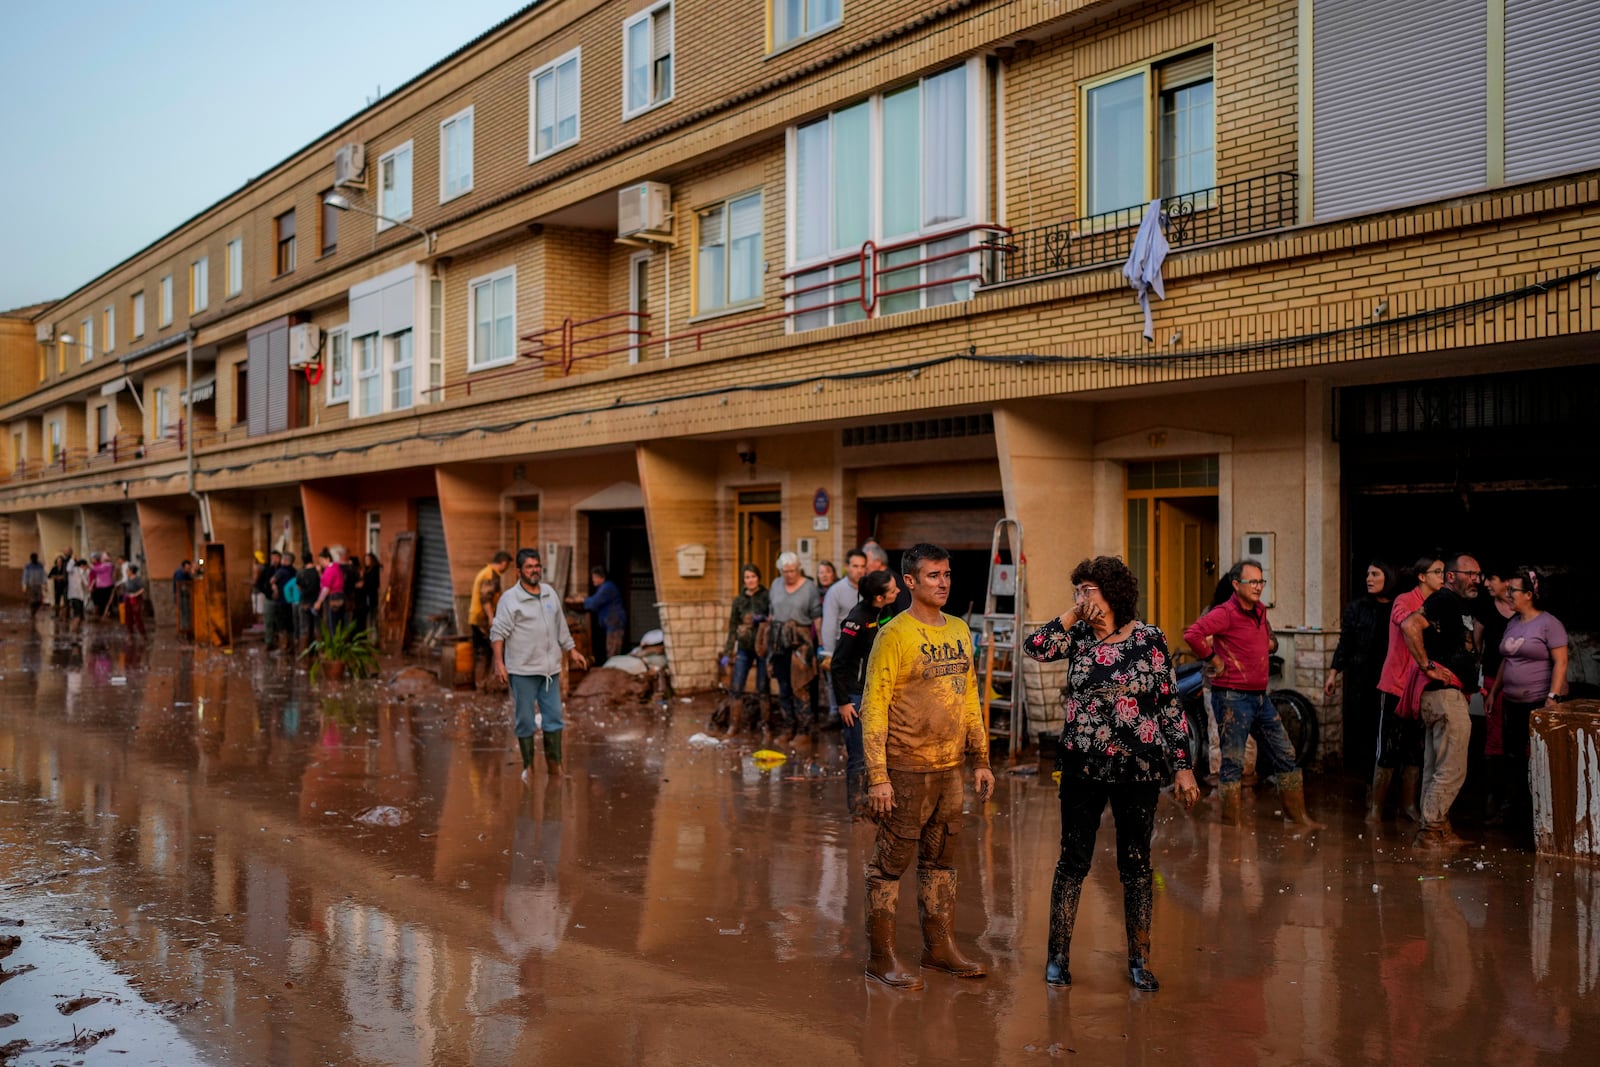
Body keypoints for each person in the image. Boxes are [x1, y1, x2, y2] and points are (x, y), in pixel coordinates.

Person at [1025, 556, 1199, 991]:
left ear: (1114, 593)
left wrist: (1183, 767)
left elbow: (1168, 706)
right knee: (1072, 860)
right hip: (1082, 764)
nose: (1081, 598)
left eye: (1088, 590)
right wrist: (1071, 614)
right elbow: (1035, 648)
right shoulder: (1077, 636)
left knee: (1137, 865)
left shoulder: (1149, 639)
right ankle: (1057, 959)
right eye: (1077, 590)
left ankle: (1139, 960)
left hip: (1137, 767)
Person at [860, 543, 993, 989]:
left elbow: (970, 697)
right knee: (890, 862)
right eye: (933, 575)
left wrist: (981, 759)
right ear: (911, 582)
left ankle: (938, 950)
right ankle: (881, 958)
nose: (943, 583)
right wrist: (878, 777)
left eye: (947, 575)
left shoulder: (958, 629)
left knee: (941, 860)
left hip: (949, 768)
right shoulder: (894, 635)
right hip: (905, 768)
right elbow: (873, 708)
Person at [1183, 560, 1319, 828]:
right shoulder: (1224, 612)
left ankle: (1298, 819)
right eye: (1253, 582)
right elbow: (1193, 634)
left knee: (1285, 753)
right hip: (1232, 697)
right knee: (1232, 763)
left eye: (1261, 581)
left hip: (1259, 696)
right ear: (1236, 585)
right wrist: (1215, 659)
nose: (1258, 587)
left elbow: (1268, 641)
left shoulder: (1259, 610)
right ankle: (1230, 826)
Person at [1401, 552, 1483, 849]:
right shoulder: (1444, 600)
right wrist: (1427, 666)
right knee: (1452, 768)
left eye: (1478, 575)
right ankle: (1430, 831)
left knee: (1436, 766)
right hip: (1444, 697)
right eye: (1470, 574)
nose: (1477, 580)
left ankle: (1439, 828)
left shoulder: (1458, 605)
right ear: (1451, 576)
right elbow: (1410, 625)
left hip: (1444, 697)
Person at [492, 549, 588, 781]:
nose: (535, 570)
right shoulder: (510, 599)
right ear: (518, 571)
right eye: (529, 567)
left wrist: (572, 650)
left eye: (537, 566)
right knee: (525, 720)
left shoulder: (549, 594)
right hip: (522, 671)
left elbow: (560, 626)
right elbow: (498, 632)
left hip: (549, 671)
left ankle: (555, 766)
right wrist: (499, 663)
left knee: (554, 717)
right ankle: (529, 766)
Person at [1487, 567, 1567, 846]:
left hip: (1538, 702)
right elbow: (1506, 660)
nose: (1508, 595)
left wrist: (1552, 697)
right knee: (1512, 758)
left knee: (1538, 760)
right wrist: (1494, 691)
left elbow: (1560, 662)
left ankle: (1541, 818)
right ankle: (1517, 815)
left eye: (1513, 591)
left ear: (1529, 595)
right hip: (1511, 701)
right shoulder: (1513, 623)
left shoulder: (1549, 624)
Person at [1370, 556, 1442, 822]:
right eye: (1438, 572)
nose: (1443, 577)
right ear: (1422, 576)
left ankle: (1409, 806)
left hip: (1420, 688)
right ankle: (1375, 810)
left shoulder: (1438, 603)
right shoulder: (1404, 600)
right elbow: (1406, 624)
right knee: (1386, 750)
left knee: (1414, 751)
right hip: (1395, 685)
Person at [830, 569, 900, 817]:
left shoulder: (886, 612)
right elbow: (837, 664)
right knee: (859, 756)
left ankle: (878, 806)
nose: (898, 591)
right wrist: (843, 703)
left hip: (881, 693)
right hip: (856, 697)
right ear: (879, 597)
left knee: (884, 751)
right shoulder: (856, 620)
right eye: (893, 590)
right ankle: (857, 810)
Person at [1324, 560, 1396, 781]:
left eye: (1375, 574)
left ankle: (1389, 782)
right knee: (1365, 730)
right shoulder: (1357, 608)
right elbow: (1345, 642)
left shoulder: (1399, 607)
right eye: (1367, 574)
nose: (1369, 579)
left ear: (1388, 577)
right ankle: (1369, 783)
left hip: (1392, 680)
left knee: (1390, 732)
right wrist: (1333, 673)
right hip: (1363, 680)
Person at [768, 551, 822, 741]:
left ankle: (804, 730)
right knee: (783, 686)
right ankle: (788, 726)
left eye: (792, 571)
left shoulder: (809, 588)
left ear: (798, 569)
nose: (789, 575)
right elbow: (771, 614)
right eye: (785, 571)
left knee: (801, 685)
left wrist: (821, 644)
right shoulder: (775, 585)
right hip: (779, 640)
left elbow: (817, 616)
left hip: (801, 641)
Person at [820, 549, 868, 725]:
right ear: (847, 567)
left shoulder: (868, 589)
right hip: (842, 645)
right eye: (855, 566)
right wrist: (829, 652)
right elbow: (829, 623)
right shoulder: (836, 591)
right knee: (836, 681)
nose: (859, 570)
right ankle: (835, 714)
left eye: (863, 566)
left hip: (864, 648)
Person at [723, 564, 771, 730]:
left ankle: (766, 726)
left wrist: (763, 619)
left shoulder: (766, 596)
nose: (750, 580)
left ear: (759, 578)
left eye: (753, 577)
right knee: (736, 685)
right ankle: (734, 725)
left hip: (762, 647)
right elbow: (732, 626)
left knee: (763, 687)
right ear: (743, 580)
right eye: (747, 577)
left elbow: (772, 618)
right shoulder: (738, 601)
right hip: (744, 647)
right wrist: (728, 651)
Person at [470, 551, 513, 685]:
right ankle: (481, 684)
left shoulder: (487, 572)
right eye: (508, 565)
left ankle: (483, 683)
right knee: (484, 654)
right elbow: (486, 599)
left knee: (485, 652)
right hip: (481, 619)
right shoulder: (490, 575)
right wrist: (491, 618)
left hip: (477, 617)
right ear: (503, 563)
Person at [582, 566, 628, 662]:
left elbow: (594, 603)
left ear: (601, 577)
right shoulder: (604, 587)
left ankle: (613, 671)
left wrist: (583, 600)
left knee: (613, 651)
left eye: (594, 577)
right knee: (612, 648)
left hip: (615, 622)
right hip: (612, 622)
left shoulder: (607, 588)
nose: (593, 580)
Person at [312, 546, 349, 632]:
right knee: (339, 622)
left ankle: (334, 644)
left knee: (332, 623)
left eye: (321, 560)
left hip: (333, 596)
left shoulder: (329, 570)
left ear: (328, 559)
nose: (320, 563)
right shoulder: (336, 568)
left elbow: (326, 588)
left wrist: (319, 602)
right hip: (341, 596)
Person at [67, 558, 92, 633]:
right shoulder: (74, 570)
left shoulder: (83, 573)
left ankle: (77, 631)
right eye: (85, 566)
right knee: (77, 615)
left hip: (81, 597)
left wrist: (89, 588)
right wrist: (72, 559)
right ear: (82, 566)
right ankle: (73, 631)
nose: (86, 568)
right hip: (74, 595)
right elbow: (68, 569)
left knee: (80, 616)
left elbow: (86, 583)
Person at [122, 565, 148, 638]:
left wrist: (135, 594)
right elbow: (126, 589)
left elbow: (142, 589)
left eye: (128, 570)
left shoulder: (137, 579)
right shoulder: (128, 579)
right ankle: (130, 632)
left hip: (136, 599)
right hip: (128, 598)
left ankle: (142, 632)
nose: (126, 571)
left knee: (137, 615)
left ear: (131, 571)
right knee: (128, 615)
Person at [360, 552, 383, 631]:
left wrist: (363, 582)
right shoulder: (366, 570)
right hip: (367, 597)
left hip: (372, 596)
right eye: (365, 559)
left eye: (368, 559)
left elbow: (374, 584)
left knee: (373, 615)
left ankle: (373, 633)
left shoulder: (374, 570)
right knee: (370, 616)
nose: (366, 561)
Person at [90, 552, 116, 619]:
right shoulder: (102, 565)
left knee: (106, 602)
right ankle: (103, 615)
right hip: (100, 586)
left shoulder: (109, 565)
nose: (101, 557)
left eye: (104, 556)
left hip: (107, 586)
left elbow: (98, 569)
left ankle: (107, 615)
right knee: (100, 602)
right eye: (102, 556)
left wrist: (90, 565)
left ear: (108, 558)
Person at [173, 560, 194, 640]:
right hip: (181, 597)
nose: (188, 570)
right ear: (183, 567)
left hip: (185, 597)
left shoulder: (187, 574)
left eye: (189, 568)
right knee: (183, 614)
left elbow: (191, 580)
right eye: (187, 568)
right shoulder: (179, 574)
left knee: (187, 613)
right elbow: (181, 587)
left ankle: (186, 630)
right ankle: (184, 630)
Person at [22, 553, 46, 618]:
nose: (34, 559)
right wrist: (24, 585)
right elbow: (25, 576)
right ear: (31, 559)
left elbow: (43, 575)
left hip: (38, 586)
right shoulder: (27, 566)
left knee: (39, 601)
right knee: (32, 601)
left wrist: (44, 584)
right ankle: (32, 613)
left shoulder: (40, 566)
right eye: (33, 558)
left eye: (35, 558)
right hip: (31, 586)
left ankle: (34, 612)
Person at [49, 554, 70, 618]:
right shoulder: (54, 568)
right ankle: (56, 614)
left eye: (60, 561)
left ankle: (66, 614)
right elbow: (49, 576)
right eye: (58, 562)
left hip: (64, 586)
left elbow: (67, 576)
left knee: (66, 600)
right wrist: (56, 577)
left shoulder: (65, 569)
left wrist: (62, 577)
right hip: (57, 587)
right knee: (57, 600)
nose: (59, 563)